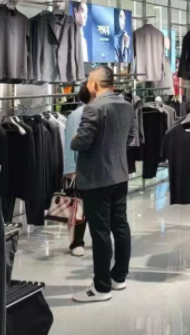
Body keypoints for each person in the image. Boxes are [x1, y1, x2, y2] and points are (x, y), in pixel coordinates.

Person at [71, 65, 135, 303]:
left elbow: (81, 142)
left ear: (95, 83)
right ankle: (119, 277)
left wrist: (74, 139)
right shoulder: (126, 105)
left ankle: (101, 287)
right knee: (120, 225)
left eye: (89, 80)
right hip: (119, 175)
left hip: (97, 178)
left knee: (100, 232)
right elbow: (130, 137)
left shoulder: (94, 107)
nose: (88, 84)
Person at [63, 85, 92, 257]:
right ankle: (76, 241)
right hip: (80, 168)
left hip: (96, 168)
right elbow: (69, 144)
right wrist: (70, 169)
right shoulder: (77, 115)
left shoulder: (100, 112)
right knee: (79, 206)